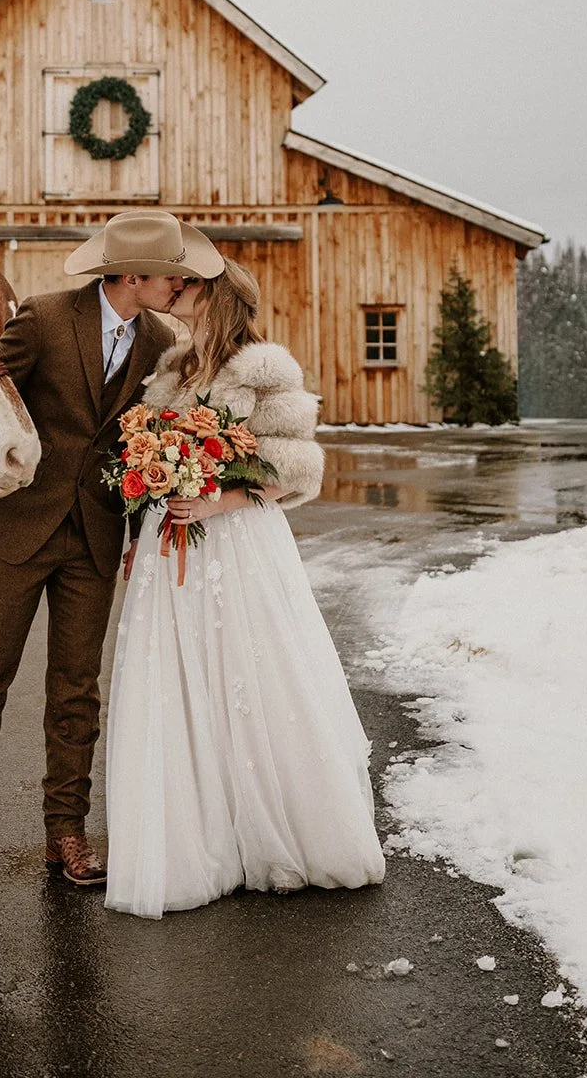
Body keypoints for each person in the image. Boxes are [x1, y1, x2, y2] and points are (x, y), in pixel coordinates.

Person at [0, 210, 224, 889]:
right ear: (130, 274)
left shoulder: (159, 340)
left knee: (75, 692)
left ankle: (66, 833)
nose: (176, 286)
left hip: (94, 536)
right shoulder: (41, 316)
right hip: (18, 529)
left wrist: (138, 534)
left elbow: (138, 442)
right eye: (169, 275)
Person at [104, 258, 386, 917]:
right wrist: (145, 517)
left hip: (234, 544)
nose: (173, 288)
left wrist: (218, 502)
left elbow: (294, 470)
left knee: (252, 677)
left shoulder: (265, 368)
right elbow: (144, 453)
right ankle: (198, 835)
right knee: (178, 680)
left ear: (221, 296)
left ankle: (281, 830)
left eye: (189, 282)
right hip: (165, 545)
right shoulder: (169, 369)